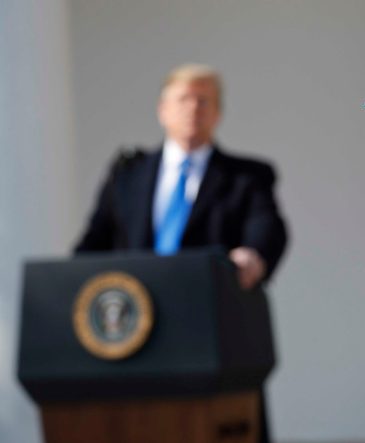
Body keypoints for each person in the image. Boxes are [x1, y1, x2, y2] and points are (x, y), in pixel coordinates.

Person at [75, 64, 287, 442]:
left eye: (204, 100)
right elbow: (92, 245)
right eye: (184, 99)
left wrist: (253, 255)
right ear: (162, 109)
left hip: (214, 343)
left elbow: (267, 229)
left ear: (218, 113)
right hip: (133, 342)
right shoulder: (127, 174)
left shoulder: (247, 177)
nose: (194, 108)